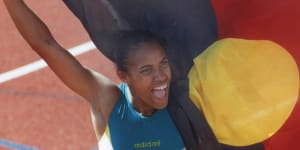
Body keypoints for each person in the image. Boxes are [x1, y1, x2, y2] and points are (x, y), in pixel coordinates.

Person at [3, 0, 187, 149]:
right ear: (123, 76)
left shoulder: (185, 102)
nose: (160, 76)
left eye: (163, 64)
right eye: (146, 70)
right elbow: (46, 46)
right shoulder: (108, 102)